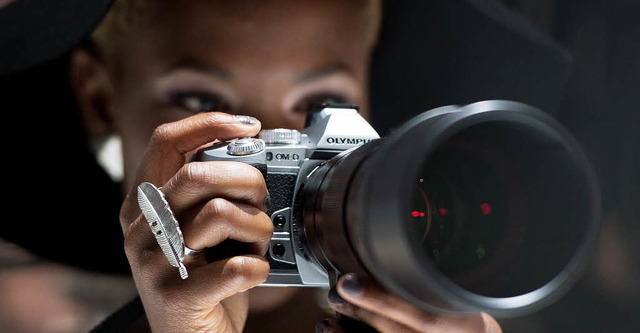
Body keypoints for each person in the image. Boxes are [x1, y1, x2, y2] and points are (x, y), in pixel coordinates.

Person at [67, 0, 504, 332]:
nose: (265, 160)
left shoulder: (455, 296)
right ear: (100, 98)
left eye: (319, 105)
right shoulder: (30, 306)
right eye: (202, 101)